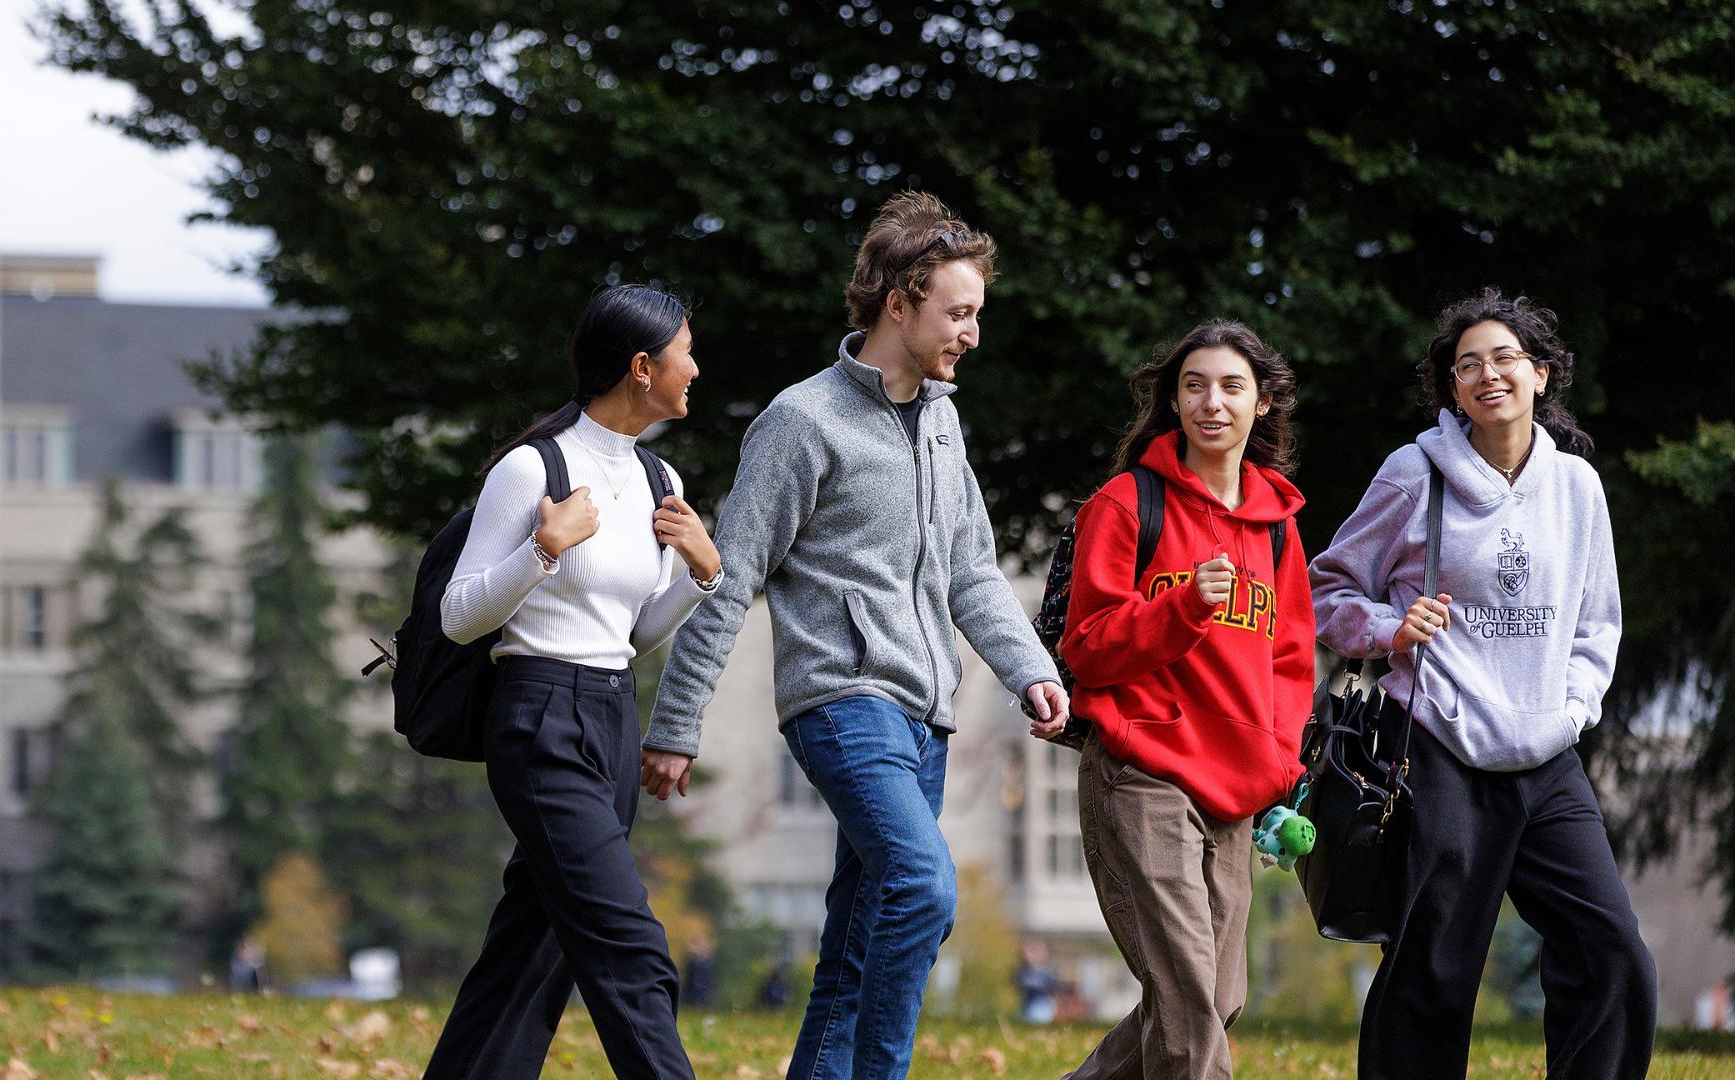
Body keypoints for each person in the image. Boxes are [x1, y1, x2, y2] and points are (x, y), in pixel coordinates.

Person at [640, 191, 1068, 1080]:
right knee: (924, 886)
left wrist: (1031, 668)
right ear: (898, 301)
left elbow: (972, 571)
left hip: (926, 715)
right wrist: (678, 723)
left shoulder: (944, 422)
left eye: (976, 314)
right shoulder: (802, 422)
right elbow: (733, 575)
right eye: (958, 313)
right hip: (842, 701)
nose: (971, 335)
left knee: (863, 930)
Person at [1311, 289, 1655, 1079]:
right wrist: (1390, 629)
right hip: (1437, 748)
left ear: (1540, 373)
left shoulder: (1577, 487)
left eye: (1504, 359)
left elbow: (1596, 622)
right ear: (1454, 389)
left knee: (1611, 947)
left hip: (1547, 754)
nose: (1486, 374)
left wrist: (1572, 710)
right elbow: (1324, 592)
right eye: (1467, 365)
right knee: (1433, 964)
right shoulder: (1412, 474)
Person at [422, 283, 722, 1080]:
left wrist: (699, 575)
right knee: (630, 947)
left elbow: (632, 635)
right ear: (640, 368)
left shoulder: (663, 481)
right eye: (685, 352)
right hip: (538, 719)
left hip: (611, 719)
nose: (695, 367)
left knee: (532, 951)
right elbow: (458, 617)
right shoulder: (533, 470)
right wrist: (541, 552)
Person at [1055, 320, 1315, 1079]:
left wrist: (1278, 760)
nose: (1212, 403)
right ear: (1172, 399)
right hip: (1142, 772)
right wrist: (1180, 610)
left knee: (1215, 997)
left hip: (1236, 789)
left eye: (1232, 387)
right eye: (1194, 385)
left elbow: (1291, 663)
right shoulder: (1128, 502)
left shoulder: (1277, 530)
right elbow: (1089, 647)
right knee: (1192, 1004)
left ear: (1262, 403)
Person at [1014, 942, 1062, 1025]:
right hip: (1028, 1005)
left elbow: (1055, 987)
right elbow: (1019, 984)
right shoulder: (1023, 971)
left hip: (1043, 1006)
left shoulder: (1048, 971)